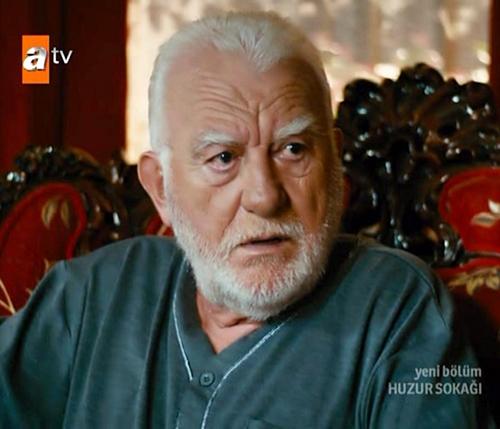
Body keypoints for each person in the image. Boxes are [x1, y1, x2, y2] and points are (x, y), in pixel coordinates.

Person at [0, 11, 493, 429]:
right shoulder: (89, 295)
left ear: (334, 166)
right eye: (223, 158)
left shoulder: (399, 310)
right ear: (161, 188)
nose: (264, 196)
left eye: (293, 149)